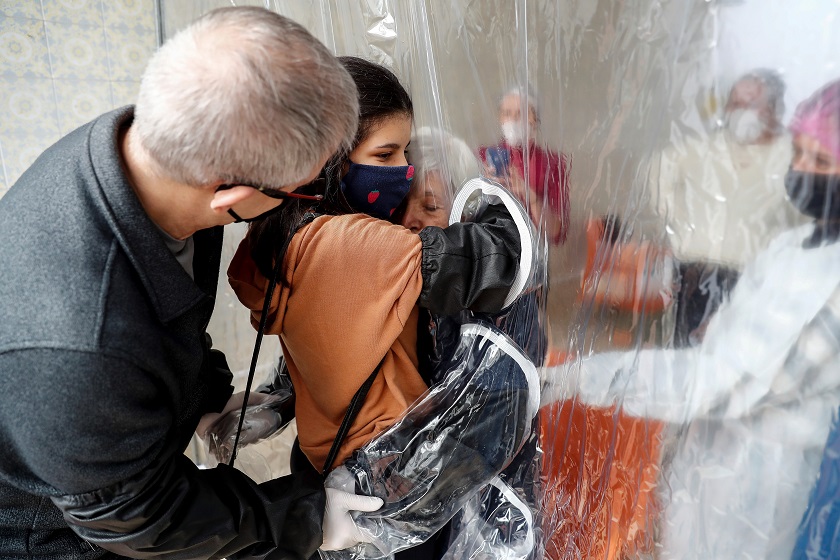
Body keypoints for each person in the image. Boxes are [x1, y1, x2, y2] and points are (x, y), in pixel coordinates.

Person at [0, 7, 381, 559]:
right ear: (226, 194)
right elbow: (136, 520)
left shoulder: (149, 150)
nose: (306, 198)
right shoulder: (78, 339)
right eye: (298, 191)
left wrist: (204, 399)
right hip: (54, 533)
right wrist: (298, 519)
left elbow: (164, 322)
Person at [227, 59, 536, 558]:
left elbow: (337, 339)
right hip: (392, 474)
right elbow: (495, 257)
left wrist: (279, 398)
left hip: (324, 466)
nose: (404, 192)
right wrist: (505, 196)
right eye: (386, 154)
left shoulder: (276, 240)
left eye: (432, 205)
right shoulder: (360, 249)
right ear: (328, 158)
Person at [542, 77, 840, 560]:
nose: (802, 171)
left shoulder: (833, 289)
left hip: (759, 495)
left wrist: (575, 377)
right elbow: (719, 354)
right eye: (800, 154)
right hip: (710, 466)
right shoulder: (792, 247)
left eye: (821, 161)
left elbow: (715, 381)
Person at [651, 69, 808, 345]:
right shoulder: (707, 148)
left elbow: (803, 216)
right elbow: (658, 171)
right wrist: (675, 221)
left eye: (750, 105)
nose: (740, 112)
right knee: (687, 356)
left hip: (754, 279)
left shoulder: (790, 157)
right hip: (694, 273)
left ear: (774, 109)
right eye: (735, 104)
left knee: (739, 354)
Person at [479, 86, 571, 245]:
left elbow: (558, 233)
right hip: (488, 253)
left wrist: (533, 199)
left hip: (534, 258)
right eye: (507, 113)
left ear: (535, 119)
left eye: (521, 113)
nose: (514, 119)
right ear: (499, 118)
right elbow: (461, 216)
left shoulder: (552, 163)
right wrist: (481, 188)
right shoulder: (482, 157)